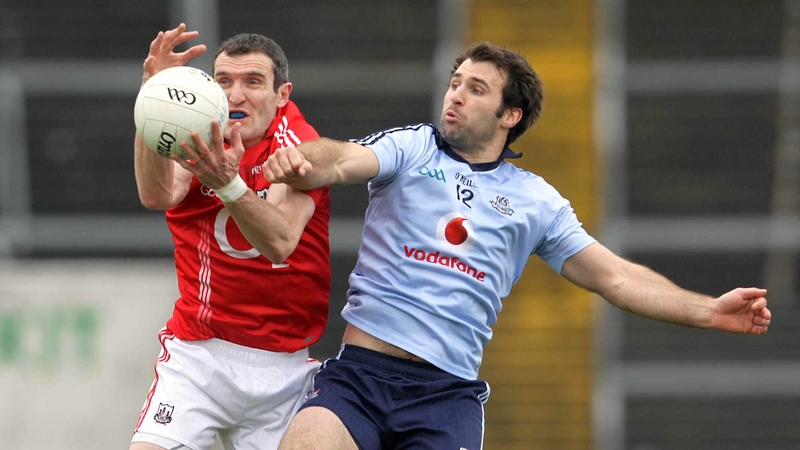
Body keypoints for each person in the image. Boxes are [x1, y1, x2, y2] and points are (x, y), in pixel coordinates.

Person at [262, 41, 773, 450]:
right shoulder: (413, 147)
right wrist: (300, 159)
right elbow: (341, 159)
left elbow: (615, 276)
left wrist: (707, 311)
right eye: (455, 83)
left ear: (511, 114)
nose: (455, 96)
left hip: (445, 397)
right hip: (360, 378)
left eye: (476, 89)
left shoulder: (537, 200)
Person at [130, 24, 331, 450]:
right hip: (199, 353)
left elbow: (279, 240)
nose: (235, 95)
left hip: (284, 366)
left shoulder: (297, 143)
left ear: (282, 94)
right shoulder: (200, 129)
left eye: (253, 82)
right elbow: (158, 194)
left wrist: (229, 185)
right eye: (224, 81)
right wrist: (153, 98)